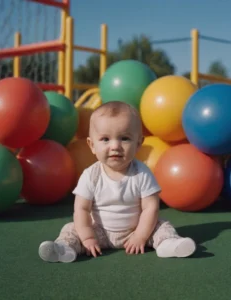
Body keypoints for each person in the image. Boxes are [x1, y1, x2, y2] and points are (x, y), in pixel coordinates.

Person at [38, 101, 196, 263]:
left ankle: (168, 244)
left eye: (125, 139)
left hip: (135, 230)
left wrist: (140, 236)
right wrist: (87, 238)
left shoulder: (142, 173)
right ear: (92, 145)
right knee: (71, 228)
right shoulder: (90, 175)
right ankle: (64, 248)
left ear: (138, 144)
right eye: (105, 139)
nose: (115, 146)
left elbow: (151, 208)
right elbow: (82, 209)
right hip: (98, 232)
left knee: (161, 226)